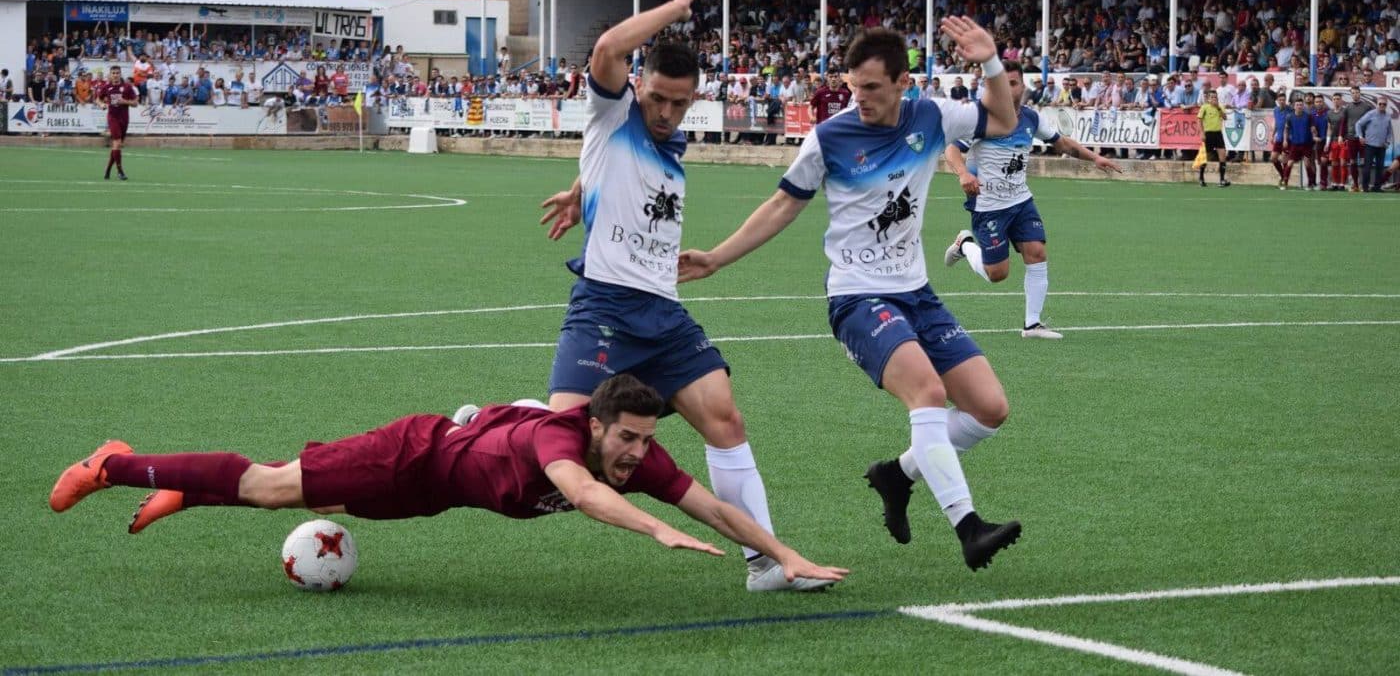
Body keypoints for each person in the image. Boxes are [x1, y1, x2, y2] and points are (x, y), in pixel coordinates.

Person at [677, 25, 1025, 572]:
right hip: (858, 297)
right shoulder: (830, 137)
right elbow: (781, 206)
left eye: (871, 88)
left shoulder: (931, 117)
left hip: (916, 292)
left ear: (902, 83)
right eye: (853, 87)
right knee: (928, 394)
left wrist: (990, 65)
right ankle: (968, 525)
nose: (859, 98)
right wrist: (718, 257)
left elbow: (1002, 119)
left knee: (989, 409)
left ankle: (897, 475)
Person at [535, 0, 818, 592]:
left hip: (665, 311)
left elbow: (615, 172)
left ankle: (765, 564)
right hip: (605, 305)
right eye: (659, 99)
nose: (667, 114)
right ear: (639, 87)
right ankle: (488, 423)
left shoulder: (675, 141)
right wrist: (675, 11)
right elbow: (608, 47)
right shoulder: (613, 111)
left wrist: (583, 186)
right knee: (563, 438)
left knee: (726, 421)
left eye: (681, 103)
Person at [49, 375, 848, 589]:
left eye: (646, 441)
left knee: (309, 496)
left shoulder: (639, 456)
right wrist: (653, 527)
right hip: (415, 455)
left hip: (441, 488)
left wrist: (786, 554)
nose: (639, 455)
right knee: (269, 486)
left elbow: (713, 505)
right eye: (629, 438)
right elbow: (582, 493)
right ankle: (114, 463)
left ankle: (189, 490)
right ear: (596, 425)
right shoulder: (558, 437)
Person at [942, 61, 1122, 340]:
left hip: (1020, 201)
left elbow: (1061, 143)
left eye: (1013, 83)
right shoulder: (980, 119)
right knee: (996, 274)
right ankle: (964, 245)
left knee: (1036, 252)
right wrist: (963, 172)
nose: (1008, 88)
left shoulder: (1030, 119)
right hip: (988, 206)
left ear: (1022, 86)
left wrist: (1095, 157)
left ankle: (1032, 324)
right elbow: (952, 149)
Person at [99, 66, 136, 181]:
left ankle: (108, 169)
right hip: (112, 117)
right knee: (117, 142)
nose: (115, 75)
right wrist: (102, 104)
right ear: (110, 75)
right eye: (113, 73)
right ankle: (120, 171)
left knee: (117, 145)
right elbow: (98, 99)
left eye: (117, 73)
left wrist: (125, 101)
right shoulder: (106, 87)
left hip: (124, 118)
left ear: (120, 74)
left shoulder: (127, 87)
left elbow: (135, 103)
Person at [1355, 96, 1394, 192]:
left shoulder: (1388, 116)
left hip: (1382, 147)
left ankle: (1377, 187)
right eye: (1380, 104)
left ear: (1386, 105)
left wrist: (1388, 141)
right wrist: (1360, 137)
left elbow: (1389, 131)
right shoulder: (1370, 114)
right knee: (1367, 168)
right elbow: (1358, 124)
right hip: (1369, 146)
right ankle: (1365, 187)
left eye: (1384, 104)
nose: (1382, 105)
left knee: (1380, 169)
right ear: (1376, 104)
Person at [1195, 89, 1232, 187]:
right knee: (1205, 157)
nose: (1214, 99)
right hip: (1208, 134)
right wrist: (1201, 133)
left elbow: (1225, 117)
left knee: (1223, 155)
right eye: (1212, 97)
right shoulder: (1204, 107)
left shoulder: (1220, 107)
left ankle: (1222, 180)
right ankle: (1201, 178)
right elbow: (1199, 120)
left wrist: (1218, 108)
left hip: (1218, 134)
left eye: (1215, 97)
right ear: (1208, 99)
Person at [1280, 97, 1316, 190]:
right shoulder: (1290, 116)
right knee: (1290, 163)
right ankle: (1285, 182)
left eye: (1301, 105)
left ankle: (1310, 184)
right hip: (1295, 144)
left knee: (1307, 163)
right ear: (1294, 106)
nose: (1299, 106)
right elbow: (1286, 129)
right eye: (1297, 105)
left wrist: (1313, 131)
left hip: (1306, 144)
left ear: (1303, 106)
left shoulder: (1308, 116)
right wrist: (1285, 140)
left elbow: (1313, 128)